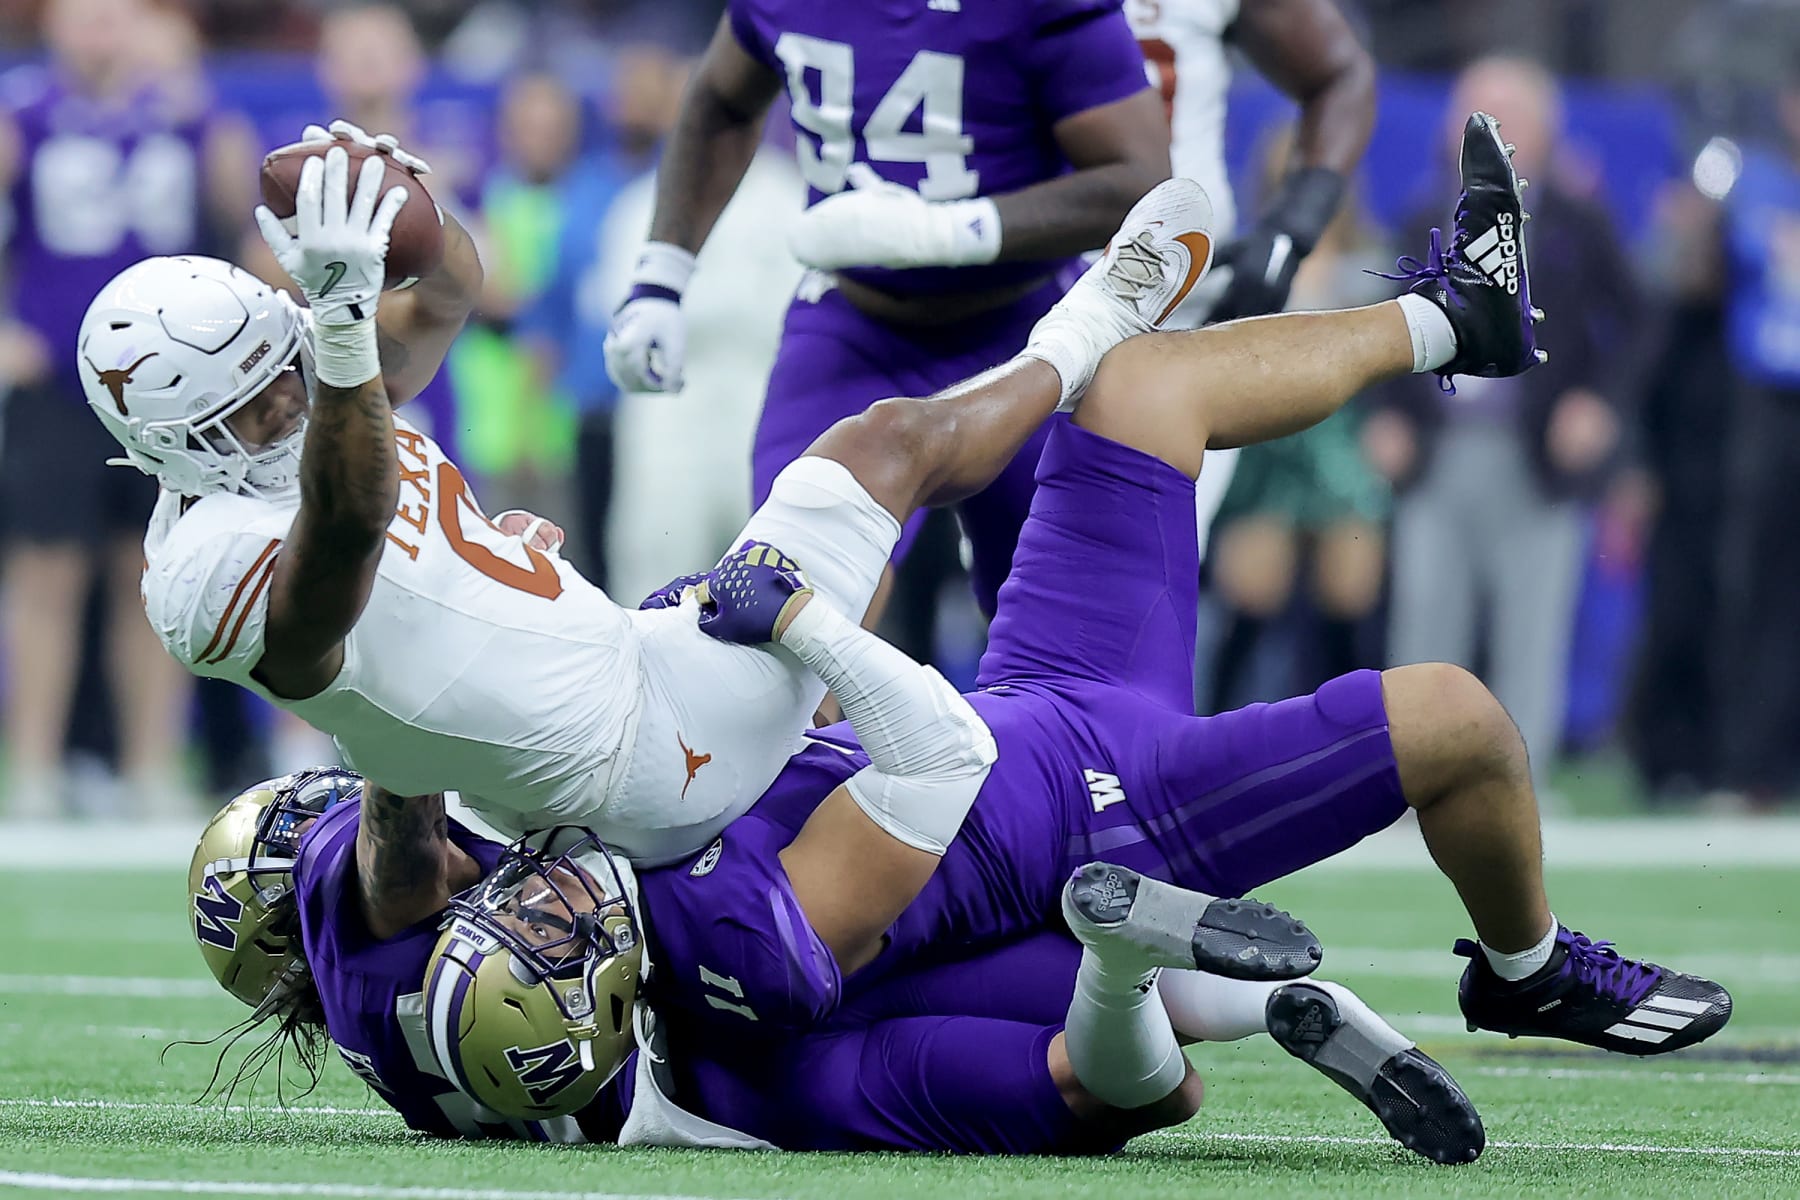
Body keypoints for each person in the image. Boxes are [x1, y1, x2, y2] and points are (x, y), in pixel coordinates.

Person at [422, 116, 1724, 1158]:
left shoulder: (616, 849)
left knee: (1141, 385)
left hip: (1040, 693)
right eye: (547, 937)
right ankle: (1527, 966)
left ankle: (1456, 320)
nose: (539, 897)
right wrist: (808, 624)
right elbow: (932, 763)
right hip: (1103, 804)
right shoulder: (750, 936)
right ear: (600, 984)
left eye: (516, 912)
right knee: (1461, 721)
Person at [87, 135, 1209, 869]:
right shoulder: (202, 571)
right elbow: (342, 536)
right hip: (646, 754)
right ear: (167, 450)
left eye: (286, 370)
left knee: (838, 538)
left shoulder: (314, 389)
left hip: (620, 673)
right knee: (886, 444)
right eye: (250, 409)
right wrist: (333, 332)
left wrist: (399, 208)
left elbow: (448, 294)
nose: (285, 404)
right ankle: (1098, 321)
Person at [186, 770, 1471, 1160]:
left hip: (751, 1090)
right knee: (1130, 1080)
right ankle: (1183, 974)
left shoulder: (385, 1047)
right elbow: (394, 853)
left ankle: (1197, 983)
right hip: (730, 1005)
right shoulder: (350, 917)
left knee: (1120, 1088)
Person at [602, 0, 1170, 618]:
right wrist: (663, 271)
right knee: (786, 609)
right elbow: (722, 100)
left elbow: (1138, 179)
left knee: (1063, 626)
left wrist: (948, 232)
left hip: (1028, 328)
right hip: (852, 326)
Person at [0, 0, 252, 818]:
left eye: (116, 16)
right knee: (47, 575)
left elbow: (241, 206)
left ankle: (149, 766)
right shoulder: (23, 111)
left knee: (154, 579)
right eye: (85, 16)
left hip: (167, 390)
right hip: (58, 377)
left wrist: (190, 92)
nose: (101, 32)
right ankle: (33, 767)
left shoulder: (185, 110)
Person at [1365, 56, 1643, 784]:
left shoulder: (1579, 223)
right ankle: (1415, 783)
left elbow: (1640, 323)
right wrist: (1387, 412)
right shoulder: (1425, 213)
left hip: (1535, 456)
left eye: (1507, 116)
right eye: (1476, 116)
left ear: (1545, 131)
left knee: (1532, 631)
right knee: (1425, 625)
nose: (1491, 133)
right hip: (1443, 444)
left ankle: (1523, 790)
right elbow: (1381, 325)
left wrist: (1600, 403)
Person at [1126, 0, 1378, 552]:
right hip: (1020, 290)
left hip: (1177, 304)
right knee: (1007, 568)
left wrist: (1293, 227)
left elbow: (1341, 72)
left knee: (1149, 564)